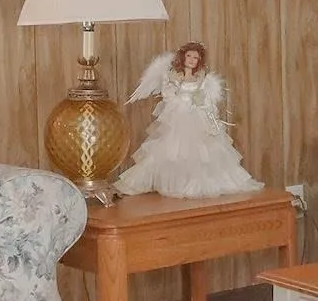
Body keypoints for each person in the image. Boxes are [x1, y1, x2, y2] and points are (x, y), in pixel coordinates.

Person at [111, 40, 259, 198]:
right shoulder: (174, 76)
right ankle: (174, 182)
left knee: (204, 151)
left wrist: (202, 105)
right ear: (183, 57)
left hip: (198, 115)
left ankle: (197, 183)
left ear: (199, 61)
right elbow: (168, 96)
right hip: (179, 115)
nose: (191, 60)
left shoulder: (201, 78)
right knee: (174, 150)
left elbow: (205, 98)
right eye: (189, 56)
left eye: (195, 58)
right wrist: (181, 101)